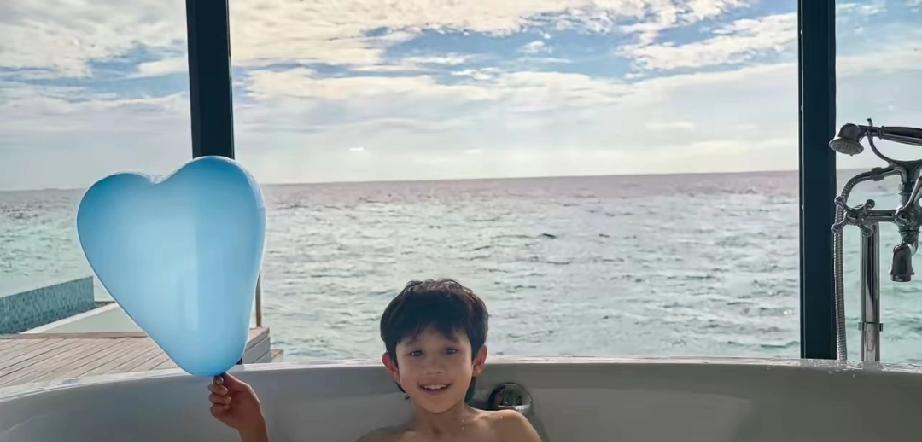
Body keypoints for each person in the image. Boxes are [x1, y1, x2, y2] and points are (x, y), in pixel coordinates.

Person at [209, 278, 542, 442]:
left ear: (478, 360)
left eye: (450, 350)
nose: (433, 367)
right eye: (416, 353)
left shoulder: (508, 430)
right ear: (393, 367)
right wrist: (253, 429)